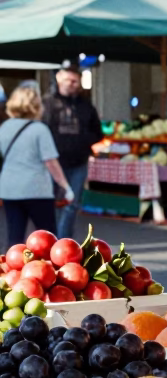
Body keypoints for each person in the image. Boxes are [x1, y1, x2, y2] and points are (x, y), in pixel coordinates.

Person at [0, 86, 74, 245]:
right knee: (48, 238)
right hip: (37, 189)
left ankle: (12, 269)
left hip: (9, 189)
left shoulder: (4, 128)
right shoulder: (39, 129)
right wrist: (66, 187)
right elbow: (51, 162)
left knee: (14, 238)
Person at [42, 63, 103, 238]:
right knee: (51, 204)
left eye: (76, 81)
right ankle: (51, 241)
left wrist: (83, 141)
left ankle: (64, 242)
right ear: (59, 79)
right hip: (53, 163)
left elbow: (97, 132)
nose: (73, 84)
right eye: (69, 80)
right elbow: (41, 130)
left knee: (72, 204)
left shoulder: (85, 105)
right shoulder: (48, 103)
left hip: (78, 162)